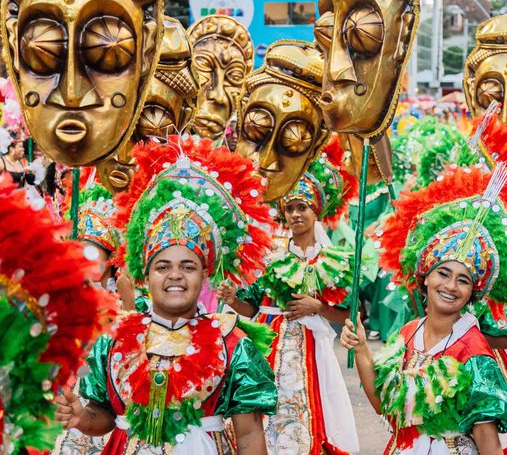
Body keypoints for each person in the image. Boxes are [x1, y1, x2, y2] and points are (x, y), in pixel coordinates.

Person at [54, 135, 278, 453]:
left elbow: (249, 435)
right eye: (163, 267)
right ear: (146, 274)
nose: (175, 275)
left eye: (187, 266)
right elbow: (104, 417)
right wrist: (80, 416)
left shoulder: (232, 344)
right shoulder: (114, 339)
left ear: (205, 275)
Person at [342, 163, 507, 454]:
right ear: (425, 276)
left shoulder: (475, 352)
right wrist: (362, 347)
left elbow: (488, 443)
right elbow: (382, 404)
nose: (451, 286)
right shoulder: (408, 333)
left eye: (463, 280)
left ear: (472, 293)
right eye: (443, 274)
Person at [219, 139, 360, 454]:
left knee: (308, 420)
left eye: (302, 207)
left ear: (315, 211)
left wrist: (318, 307)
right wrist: (232, 300)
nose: (296, 214)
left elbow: (351, 314)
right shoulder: (271, 255)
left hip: (312, 353)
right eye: (290, 208)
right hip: (268, 348)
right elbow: (252, 306)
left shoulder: (332, 259)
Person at [0, 173, 116, 454]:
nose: (84, 265)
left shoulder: (120, 315)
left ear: (111, 264)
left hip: (88, 419)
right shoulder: (45, 306)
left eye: (92, 257)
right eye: (79, 254)